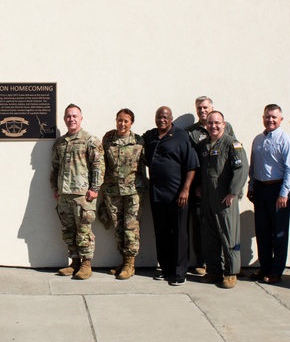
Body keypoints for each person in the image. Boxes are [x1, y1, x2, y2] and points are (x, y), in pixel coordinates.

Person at [143, 106, 198, 286]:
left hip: (177, 194)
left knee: (180, 234)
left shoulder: (181, 136)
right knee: (161, 232)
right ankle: (166, 269)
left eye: (165, 117)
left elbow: (191, 166)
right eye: (159, 117)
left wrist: (185, 190)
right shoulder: (150, 137)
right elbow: (133, 141)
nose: (162, 120)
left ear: (171, 118)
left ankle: (180, 272)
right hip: (157, 194)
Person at [50, 104, 105, 280]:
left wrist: (95, 188)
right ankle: (74, 262)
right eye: (68, 116)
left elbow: (98, 166)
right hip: (64, 194)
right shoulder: (60, 143)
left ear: (81, 118)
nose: (71, 119)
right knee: (68, 231)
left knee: (84, 231)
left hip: (82, 195)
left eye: (74, 116)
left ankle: (86, 264)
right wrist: (55, 188)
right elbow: (55, 168)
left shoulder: (90, 140)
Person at [196, 111, 248, 289]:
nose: (213, 126)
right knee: (209, 236)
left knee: (229, 235)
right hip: (207, 199)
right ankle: (214, 270)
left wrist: (233, 192)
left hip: (225, 199)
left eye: (217, 123)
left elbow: (241, 169)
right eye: (210, 123)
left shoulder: (232, 144)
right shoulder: (203, 146)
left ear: (224, 124)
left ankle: (231, 272)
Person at [247, 104, 290, 283]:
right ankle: (265, 267)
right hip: (261, 189)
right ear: (263, 118)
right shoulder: (258, 140)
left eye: (274, 117)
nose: (270, 120)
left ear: (280, 119)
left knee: (279, 233)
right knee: (262, 231)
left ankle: (276, 271)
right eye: (267, 117)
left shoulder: (287, 140)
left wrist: (284, 194)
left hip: (278, 190)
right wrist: (251, 186)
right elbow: (253, 167)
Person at [186, 96, 235, 275]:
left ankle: (228, 265)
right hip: (201, 188)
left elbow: (233, 158)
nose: (202, 111)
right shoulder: (191, 132)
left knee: (225, 228)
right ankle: (202, 262)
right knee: (201, 227)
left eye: (205, 107)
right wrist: (195, 186)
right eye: (199, 108)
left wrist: (233, 189)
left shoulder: (226, 127)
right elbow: (192, 161)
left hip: (222, 189)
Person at [99, 109, 146, 280]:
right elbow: (102, 163)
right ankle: (123, 261)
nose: (122, 124)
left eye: (126, 121)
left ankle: (130, 264)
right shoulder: (108, 139)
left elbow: (148, 163)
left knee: (130, 227)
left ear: (131, 122)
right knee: (118, 227)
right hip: (113, 191)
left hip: (133, 192)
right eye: (120, 120)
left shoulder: (139, 141)